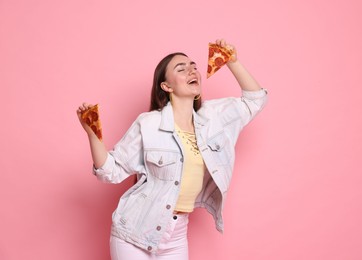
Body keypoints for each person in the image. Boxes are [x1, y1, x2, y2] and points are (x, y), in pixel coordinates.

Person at [77, 39, 268, 260]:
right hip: (134, 233)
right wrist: (92, 135)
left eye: (193, 66)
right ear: (166, 86)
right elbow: (111, 170)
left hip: (177, 235)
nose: (192, 70)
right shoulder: (148, 124)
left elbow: (255, 100)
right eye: (182, 68)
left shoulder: (213, 118)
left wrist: (232, 61)